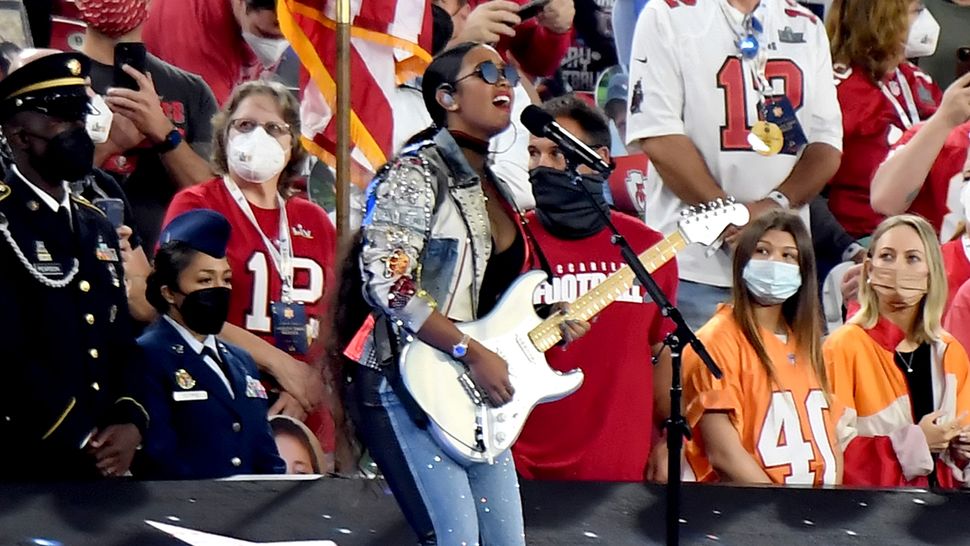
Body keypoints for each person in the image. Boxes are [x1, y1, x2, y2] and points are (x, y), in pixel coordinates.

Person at [341, 42, 584, 545]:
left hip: (467, 392)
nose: (504, 83)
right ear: (447, 96)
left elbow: (483, 300)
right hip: (404, 381)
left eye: (508, 73)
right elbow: (389, 284)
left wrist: (545, 319)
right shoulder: (414, 173)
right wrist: (469, 351)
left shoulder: (495, 185)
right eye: (487, 71)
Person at [626, 0, 843, 331]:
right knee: (697, 381)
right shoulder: (666, 14)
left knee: (792, 383)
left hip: (786, 265)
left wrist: (774, 207)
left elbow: (826, 144)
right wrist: (733, 218)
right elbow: (658, 135)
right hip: (694, 265)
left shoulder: (806, 25)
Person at [162, 81, 334, 460]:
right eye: (244, 125)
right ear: (224, 135)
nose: (258, 136)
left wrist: (308, 381)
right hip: (224, 400)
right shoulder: (198, 204)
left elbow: (338, 320)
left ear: (292, 145)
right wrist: (280, 365)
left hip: (307, 410)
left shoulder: (315, 219)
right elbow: (177, 305)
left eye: (274, 128)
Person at [511, 94, 677, 483]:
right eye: (534, 154)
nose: (541, 166)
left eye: (557, 153)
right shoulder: (512, 242)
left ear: (599, 157)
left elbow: (665, 352)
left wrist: (668, 438)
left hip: (620, 463)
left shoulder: (651, 249)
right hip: (520, 461)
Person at [0, 52, 148, 479]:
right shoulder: (6, 222)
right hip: (29, 459)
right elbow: (7, 352)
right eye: (63, 118)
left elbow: (120, 338)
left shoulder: (96, 223)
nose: (79, 131)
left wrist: (129, 420)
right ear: (19, 134)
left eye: (81, 117)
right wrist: (81, 434)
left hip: (107, 460)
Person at [683, 210, 842, 485]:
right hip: (747, 513)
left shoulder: (810, 345)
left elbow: (831, 442)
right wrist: (775, 511)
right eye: (762, 251)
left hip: (814, 512)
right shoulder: (713, 343)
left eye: (788, 255)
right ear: (743, 261)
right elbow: (724, 454)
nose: (774, 263)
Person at [137, 209, 285, 479]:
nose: (219, 289)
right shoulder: (148, 355)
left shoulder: (241, 361)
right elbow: (159, 456)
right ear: (169, 292)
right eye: (205, 280)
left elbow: (265, 452)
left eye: (225, 279)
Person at [824, 214, 970, 488]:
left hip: (942, 513)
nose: (897, 268)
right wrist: (914, 444)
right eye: (887, 256)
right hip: (870, 515)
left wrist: (962, 453)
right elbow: (832, 452)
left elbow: (960, 451)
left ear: (932, 272)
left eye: (912, 258)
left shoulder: (950, 351)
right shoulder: (843, 346)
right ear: (869, 269)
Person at [77, 0, 219, 252]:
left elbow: (211, 196)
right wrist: (109, 145)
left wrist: (164, 133)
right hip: (77, 260)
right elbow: (31, 187)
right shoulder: (54, 83)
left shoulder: (191, 90)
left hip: (165, 268)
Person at [824, 0, 942, 240]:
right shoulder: (839, 89)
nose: (924, 20)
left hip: (927, 233)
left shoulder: (917, 80)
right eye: (916, 11)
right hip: (864, 235)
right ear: (882, 19)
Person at [144, 0, 292, 105]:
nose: (275, 46)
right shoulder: (195, 36)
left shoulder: (268, 16)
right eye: (264, 35)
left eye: (288, 37)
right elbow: (207, 135)